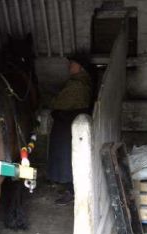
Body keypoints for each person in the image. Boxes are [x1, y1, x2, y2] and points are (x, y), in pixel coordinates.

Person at [47, 53, 93, 206]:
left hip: (69, 123)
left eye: (72, 63)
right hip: (69, 122)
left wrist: (51, 101)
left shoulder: (78, 85)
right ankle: (68, 187)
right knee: (66, 156)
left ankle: (71, 190)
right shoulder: (78, 82)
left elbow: (59, 102)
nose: (69, 66)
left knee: (67, 156)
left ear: (81, 67)